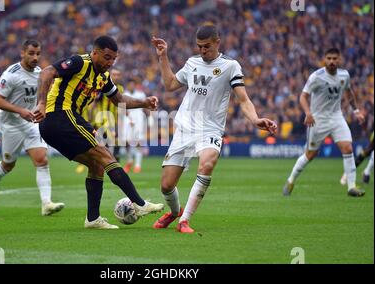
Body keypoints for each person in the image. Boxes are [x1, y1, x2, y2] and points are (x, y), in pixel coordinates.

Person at [150, 24, 277, 233]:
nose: (202, 50)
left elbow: (243, 99)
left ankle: (185, 221)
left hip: (210, 129)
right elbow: (171, 84)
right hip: (185, 128)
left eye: (206, 46)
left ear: (217, 42)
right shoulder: (192, 63)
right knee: (166, 185)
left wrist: (255, 119)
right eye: (199, 46)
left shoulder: (230, 66)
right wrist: (163, 56)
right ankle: (175, 213)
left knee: (207, 164)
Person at [34, 35, 164, 229]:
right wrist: (42, 103)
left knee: (97, 165)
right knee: (105, 155)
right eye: (106, 57)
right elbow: (46, 73)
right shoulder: (79, 62)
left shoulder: (103, 78)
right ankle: (139, 204)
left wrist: (144, 102)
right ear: (94, 53)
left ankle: (93, 219)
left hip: (60, 124)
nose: (110, 63)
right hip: (60, 116)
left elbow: (120, 100)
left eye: (113, 59)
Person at [0, 39, 65, 216]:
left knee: (42, 160)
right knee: (8, 165)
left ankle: (46, 204)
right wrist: (20, 111)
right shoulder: (11, 74)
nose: (35, 57)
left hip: (31, 122)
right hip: (10, 125)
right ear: (22, 53)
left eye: (38, 54)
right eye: (31, 53)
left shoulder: (40, 74)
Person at [283, 47, 366, 197]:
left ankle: (351, 187)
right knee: (310, 154)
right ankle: (291, 180)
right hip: (318, 119)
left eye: (335, 58)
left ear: (339, 59)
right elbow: (302, 97)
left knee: (347, 148)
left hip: (336, 117)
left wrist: (356, 111)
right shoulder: (316, 77)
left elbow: (349, 94)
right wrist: (308, 113)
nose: (332, 61)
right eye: (329, 58)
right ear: (324, 59)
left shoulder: (344, 75)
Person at [122, 78, 147, 174]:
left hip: (139, 121)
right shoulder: (124, 94)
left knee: (138, 143)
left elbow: (145, 108)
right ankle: (129, 161)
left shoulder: (141, 94)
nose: (131, 86)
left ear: (135, 85)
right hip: (127, 120)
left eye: (133, 84)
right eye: (130, 85)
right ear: (128, 85)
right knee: (125, 142)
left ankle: (137, 165)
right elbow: (122, 108)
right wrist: (129, 118)